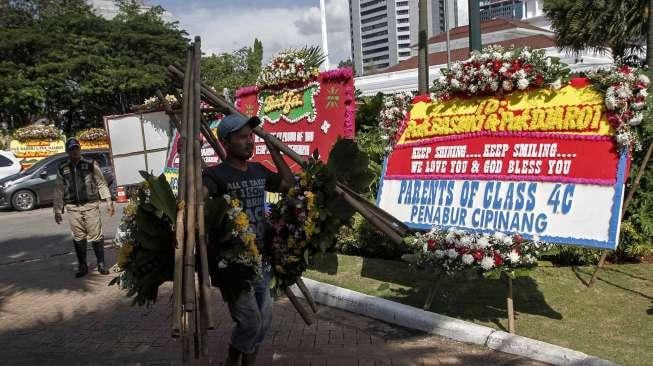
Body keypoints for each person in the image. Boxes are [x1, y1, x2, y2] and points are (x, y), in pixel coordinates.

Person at [202, 114, 293, 366]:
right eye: (242, 137)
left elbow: (288, 184)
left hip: (262, 262)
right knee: (250, 322)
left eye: (250, 136)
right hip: (233, 265)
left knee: (262, 323)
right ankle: (232, 361)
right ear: (226, 143)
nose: (249, 141)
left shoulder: (258, 170)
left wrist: (275, 151)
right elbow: (199, 196)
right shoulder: (217, 175)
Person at [54, 138, 115, 277]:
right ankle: (82, 265)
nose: (74, 151)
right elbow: (59, 189)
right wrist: (58, 210)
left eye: (76, 148)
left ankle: (101, 264)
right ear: (67, 151)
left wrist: (109, 201)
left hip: (90, 205)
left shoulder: (90, 164)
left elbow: (101, 183)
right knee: (78, 237)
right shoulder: (63, 167)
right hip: (73, 207)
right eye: (71, 149)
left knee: (96, 235)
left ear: (80, 149)